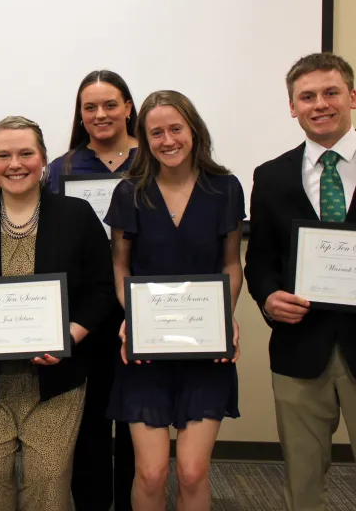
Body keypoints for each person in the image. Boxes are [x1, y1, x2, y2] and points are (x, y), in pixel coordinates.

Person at [0, 116, 115, 511]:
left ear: (43, 159)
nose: (15, 163)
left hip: (56, 380)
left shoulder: (78, 215)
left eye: (25, 153)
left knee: (49, 483)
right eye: (4, 155)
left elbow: (101, 291)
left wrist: (69, 336)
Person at [105, 90, 243, 511]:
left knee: (191, 471)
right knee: (150, 473)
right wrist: (135, 319)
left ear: (193, 130)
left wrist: (225, 317)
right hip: (146, 349)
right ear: (144, 140)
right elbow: (119, 266)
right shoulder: (129, 192)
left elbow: (232, 264)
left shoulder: (225, 188)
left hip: (205, 350)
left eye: (176, 129)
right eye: (156, 133)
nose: (167, 140)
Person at [245, 52, 356, 511]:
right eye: (306, 97)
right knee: (303, 478)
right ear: (292, 107)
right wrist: (269, 297)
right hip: (299, 345)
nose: (320, 104)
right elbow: (260, 260)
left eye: (331, 93)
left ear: (352, 96)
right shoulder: (271, 176)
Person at [47, 70, 138, 511]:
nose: (100, 114)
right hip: (83, 311)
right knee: (90, 420)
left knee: (140, 420)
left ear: (128, 108)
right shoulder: (60, 169)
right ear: (80, 115)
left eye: (109, 104)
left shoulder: (154, 159)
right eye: (90, 107)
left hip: (143, 308)